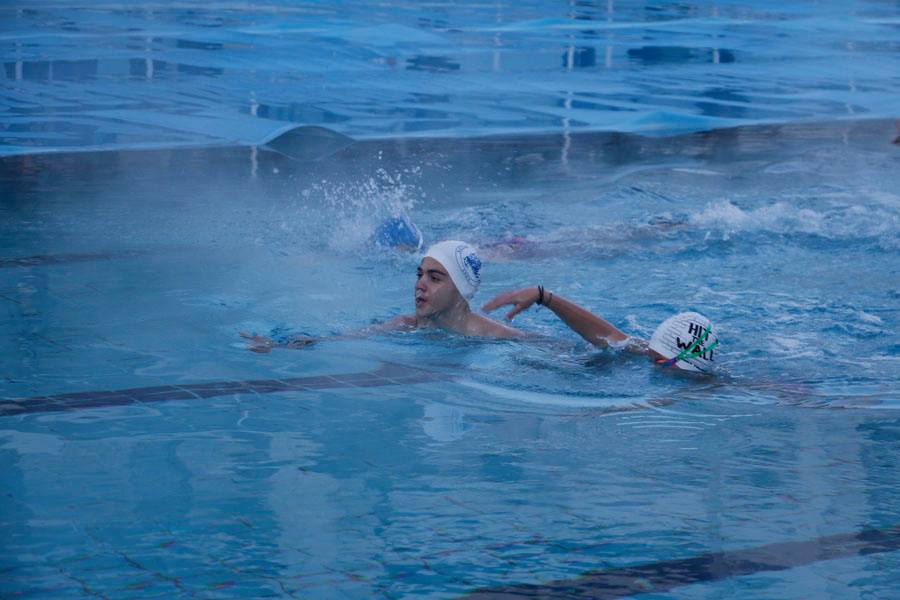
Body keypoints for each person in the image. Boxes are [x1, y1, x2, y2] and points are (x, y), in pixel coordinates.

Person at [240, 240, 520, 352]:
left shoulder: (495, 335)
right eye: (419, 274)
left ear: (461, 292)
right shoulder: (406, 325)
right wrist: (277, 346)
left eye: (434, 278)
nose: (420, 285)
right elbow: (340, 340)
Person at [482, 286, 719, 374]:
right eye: (652, 355)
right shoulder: (662, 356)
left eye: (660, 362)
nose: (652, 362)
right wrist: (544, 296)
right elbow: (610, 337)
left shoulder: (703, 386)